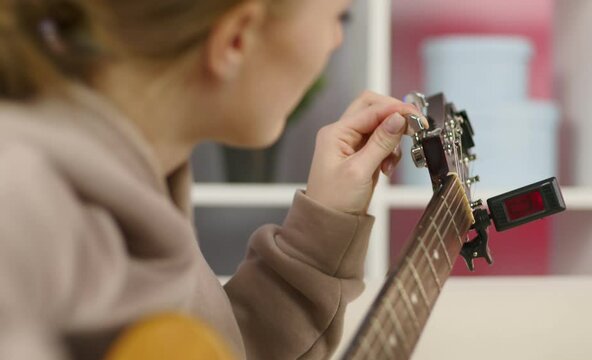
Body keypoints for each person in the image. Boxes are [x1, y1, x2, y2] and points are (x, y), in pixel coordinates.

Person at [0, 0, 425, 359]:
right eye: (340, 18)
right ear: (237, 39)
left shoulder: (145, 176)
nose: (336, 41)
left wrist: (325, 223)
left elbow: (219, 348)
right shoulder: (19, 200)